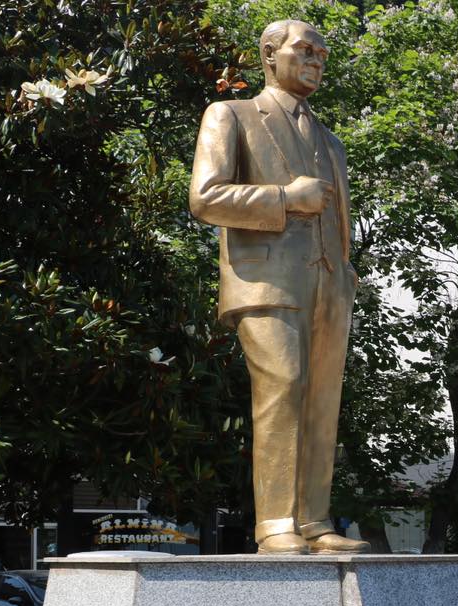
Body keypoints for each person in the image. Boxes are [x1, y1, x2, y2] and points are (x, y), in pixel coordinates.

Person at [189, 19, 368, 555]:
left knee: (321, 401)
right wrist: (286, 198)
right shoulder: (232, 115)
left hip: (329, 286)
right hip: (264, 280)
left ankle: (314, 521)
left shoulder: (330, 140)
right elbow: (205, 198)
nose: (316, 61)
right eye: (305, 50)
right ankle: (275, 524)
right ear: (270, 54)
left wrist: (346, 276)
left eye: (322, 55)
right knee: (284, 388)